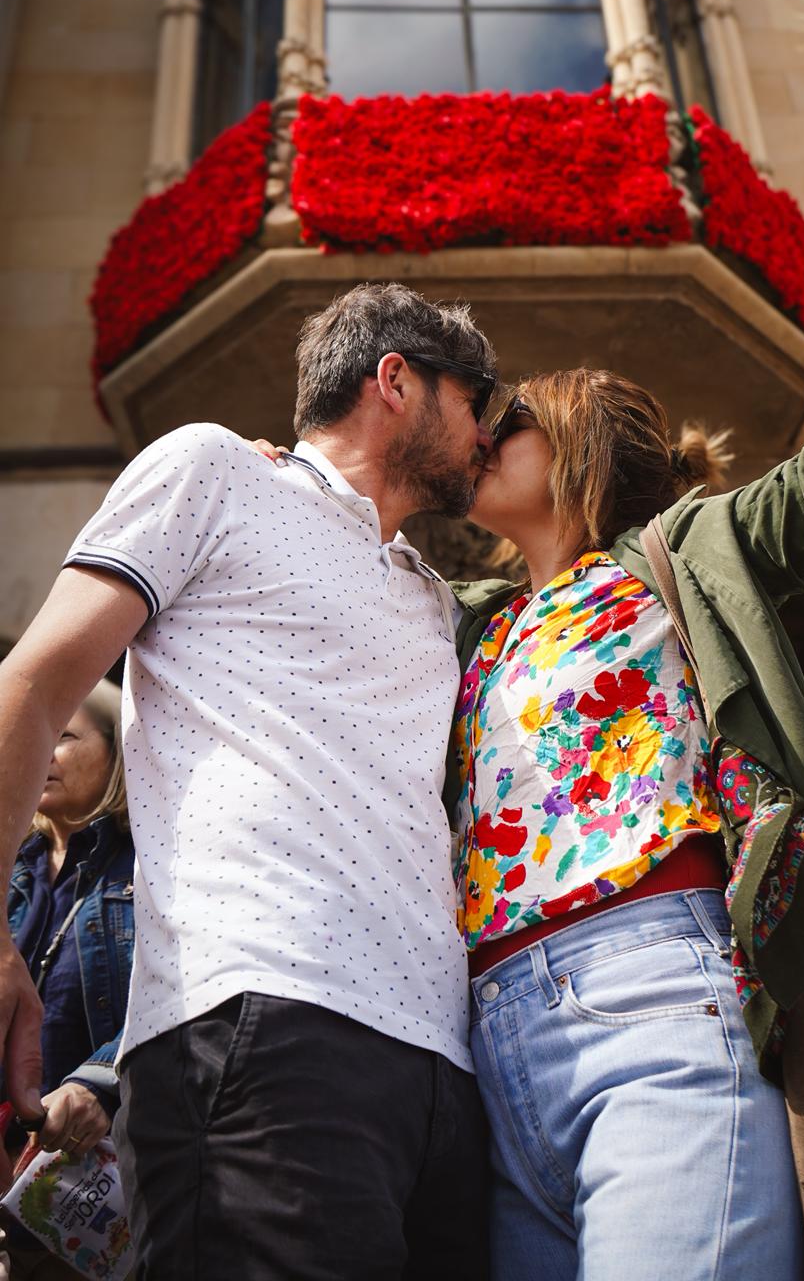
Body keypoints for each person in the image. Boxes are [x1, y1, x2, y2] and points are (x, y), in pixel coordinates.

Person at [439, 133, 804, 1280]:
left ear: (579, 443)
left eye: (514, 420)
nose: (484, 437)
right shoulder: (475, 627)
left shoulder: (676, 553)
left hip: (657, 1001)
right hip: (491, 1036)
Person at [0, 282, 498, 1280]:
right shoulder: (213, 469)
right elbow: (34, 684)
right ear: (394, 379)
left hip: (444, 1067)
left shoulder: (431, 596)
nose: (488, 430)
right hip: (262, 1023)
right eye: (477, 397)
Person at [1, 681, 131, 1281]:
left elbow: (173, 997)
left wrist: (100, 1082)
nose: (42, 751)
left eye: (65, 735)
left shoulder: (146, 868)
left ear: (115, 755)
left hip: (94, 1174)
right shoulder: (15, 868)